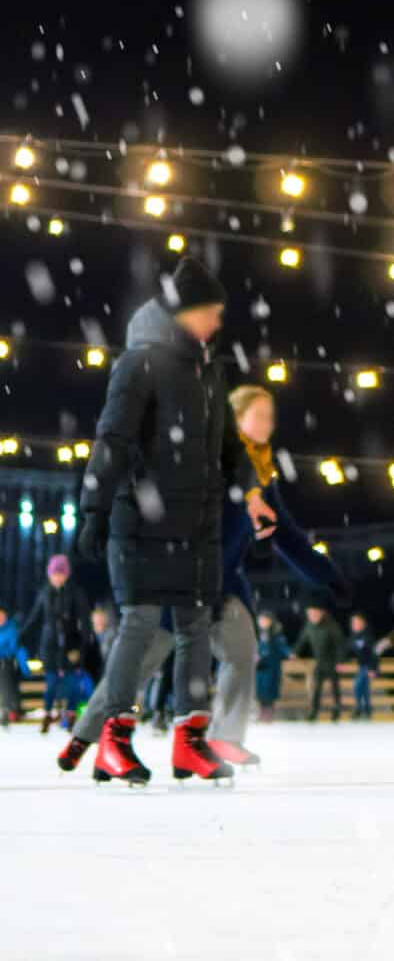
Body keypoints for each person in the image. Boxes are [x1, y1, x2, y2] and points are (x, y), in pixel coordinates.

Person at [57, 257, 276, 786]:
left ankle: (189, 743)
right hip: (143, 522)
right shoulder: (140, 365)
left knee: (195, 629)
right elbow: (113, 441)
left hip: (195, 526)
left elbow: (229, 447)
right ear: (188, 312)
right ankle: (111, 739)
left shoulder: (209, 372)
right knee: (137, 627)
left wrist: (252, 491)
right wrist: (94, 509)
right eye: (214, 313)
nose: (220, 323)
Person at [128, 384, 347, 767]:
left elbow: (288, 537)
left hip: (225, 583)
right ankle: (103, 726)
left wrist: (328, 576)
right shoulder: (215, 460)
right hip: (184, 578)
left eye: (270, 416)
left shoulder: (262, 475)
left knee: (243, 651)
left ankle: (225, 737)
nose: (267, 424)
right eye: (258, 415)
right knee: (147, 657)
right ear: (236, 418)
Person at [21, 554, 93, 734]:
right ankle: (47, 714)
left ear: (67, 574)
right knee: (51, 682)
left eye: (61, 573)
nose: (57, 577)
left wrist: (84, 642)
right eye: (54, 573)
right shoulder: (45, 593)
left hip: (71, 645)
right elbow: (36, 617)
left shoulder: (76, 593)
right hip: (50, 645)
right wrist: (22, 635)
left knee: (72, 683)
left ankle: (70, 716)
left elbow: (84, 619)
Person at [292, 606, 346, 722]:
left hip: (332, 663)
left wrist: (340, 661)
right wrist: (295, 652)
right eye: (310, 614)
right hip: (320, 663)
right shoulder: (309, 627)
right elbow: (302, 641)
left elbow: (340, 645)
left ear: (322, 613)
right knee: (317, 688)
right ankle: (314, 712)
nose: (313, 616)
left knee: (335, 688)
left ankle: (336, 711)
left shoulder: (331, 626)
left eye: (315, 614)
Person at [347, 615, 386, 720]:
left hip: (369, 667)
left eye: (358, 623)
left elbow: (374, 654)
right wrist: (342, 661)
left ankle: (361, 708)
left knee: (359, 686)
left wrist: (373, 669)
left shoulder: (368, 637)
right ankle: (365, 710)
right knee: (363, 689)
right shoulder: (353, 638)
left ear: (363, 624)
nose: (355, 625)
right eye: (354, 623)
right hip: (362, 667)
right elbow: (348, 650)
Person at [255, 614, 292, 723]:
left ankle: (269, 713)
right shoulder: (256, 634)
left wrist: (289, 653)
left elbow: (282, 646)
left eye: (265, 620)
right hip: (260, 667)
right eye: (261, 621)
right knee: (260, 691)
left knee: (270, 690)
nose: (263, 623)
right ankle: (262, 713)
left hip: (272, 666)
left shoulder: (276, 634)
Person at [0, 604, 29, 727]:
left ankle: (10, 710)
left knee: (7, 683)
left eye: (2, 616)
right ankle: (11, 709)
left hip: (7, 662)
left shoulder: (11, 629)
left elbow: (14, 647)